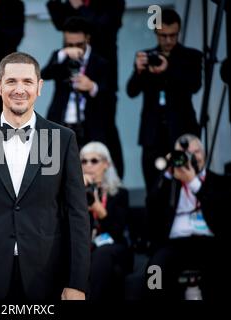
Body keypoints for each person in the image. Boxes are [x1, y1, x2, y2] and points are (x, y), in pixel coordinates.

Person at [0, 52, 90, 301]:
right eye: (11, 81)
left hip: (47, 275)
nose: (19, 89)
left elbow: (77, 214)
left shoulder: (63, 139)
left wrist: (77, 282)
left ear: (39, 87)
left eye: (27, 82)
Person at [46, 0, 125, 178]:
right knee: (56, 174)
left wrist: (92, 87)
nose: (75, 49)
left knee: (92, 172)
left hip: (89, 126)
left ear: (87, 39)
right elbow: (44, 74)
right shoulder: (61, 58)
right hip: (64, 124)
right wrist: (62, 54)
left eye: (78, 45)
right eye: (70, 44)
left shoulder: (100, 62)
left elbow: (109, 93)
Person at [126, 9, 203, 193]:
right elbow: (131, 91)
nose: (168, 41)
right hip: (152, 134)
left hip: (182, 131)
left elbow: (194, 86)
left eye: (172, 35)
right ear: (156, 33)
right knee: (154, 188)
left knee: (185, 186)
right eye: (163, 36)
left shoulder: (191, 56)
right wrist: (139, 70)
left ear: (179, 32)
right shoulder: (147, 56)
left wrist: (168, 69)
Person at [146, 134, 229, 300]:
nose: (191, 157)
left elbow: (223, 212)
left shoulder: (219, 181)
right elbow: (152, 208)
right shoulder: (170, 183)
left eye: (195, 152)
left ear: (204, 154)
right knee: (154, 271)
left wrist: (193, 182)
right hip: (174, 243)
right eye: (184, 153)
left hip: (210, 242)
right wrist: (168, 174)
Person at [80, 142, 133, 300]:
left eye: (94, 161)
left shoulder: (120, 193)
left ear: (106, 164)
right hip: (85, 248)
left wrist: (99, 209)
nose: (88, 165)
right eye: (84, 161)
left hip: (114, 249)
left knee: (102, 254)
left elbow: (117, 232)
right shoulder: (73, 192)